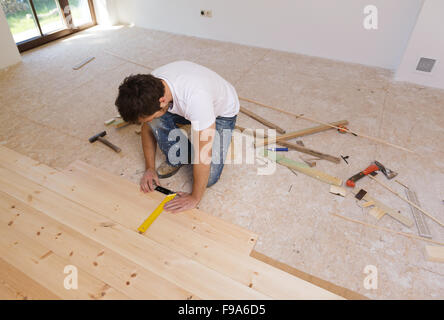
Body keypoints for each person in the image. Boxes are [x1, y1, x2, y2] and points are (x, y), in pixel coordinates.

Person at [115, 61, 239, 213]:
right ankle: (181, 154)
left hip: (221, 113)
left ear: (162, 101)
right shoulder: (151, 88)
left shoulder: (196, 99)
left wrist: (194, 197)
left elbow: (203, 154)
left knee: (209, 177)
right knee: (156, 120)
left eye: (147, 118)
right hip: (186, 106)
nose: (146, 123)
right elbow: (147, 128)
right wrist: (150, 169)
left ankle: (211, 132)